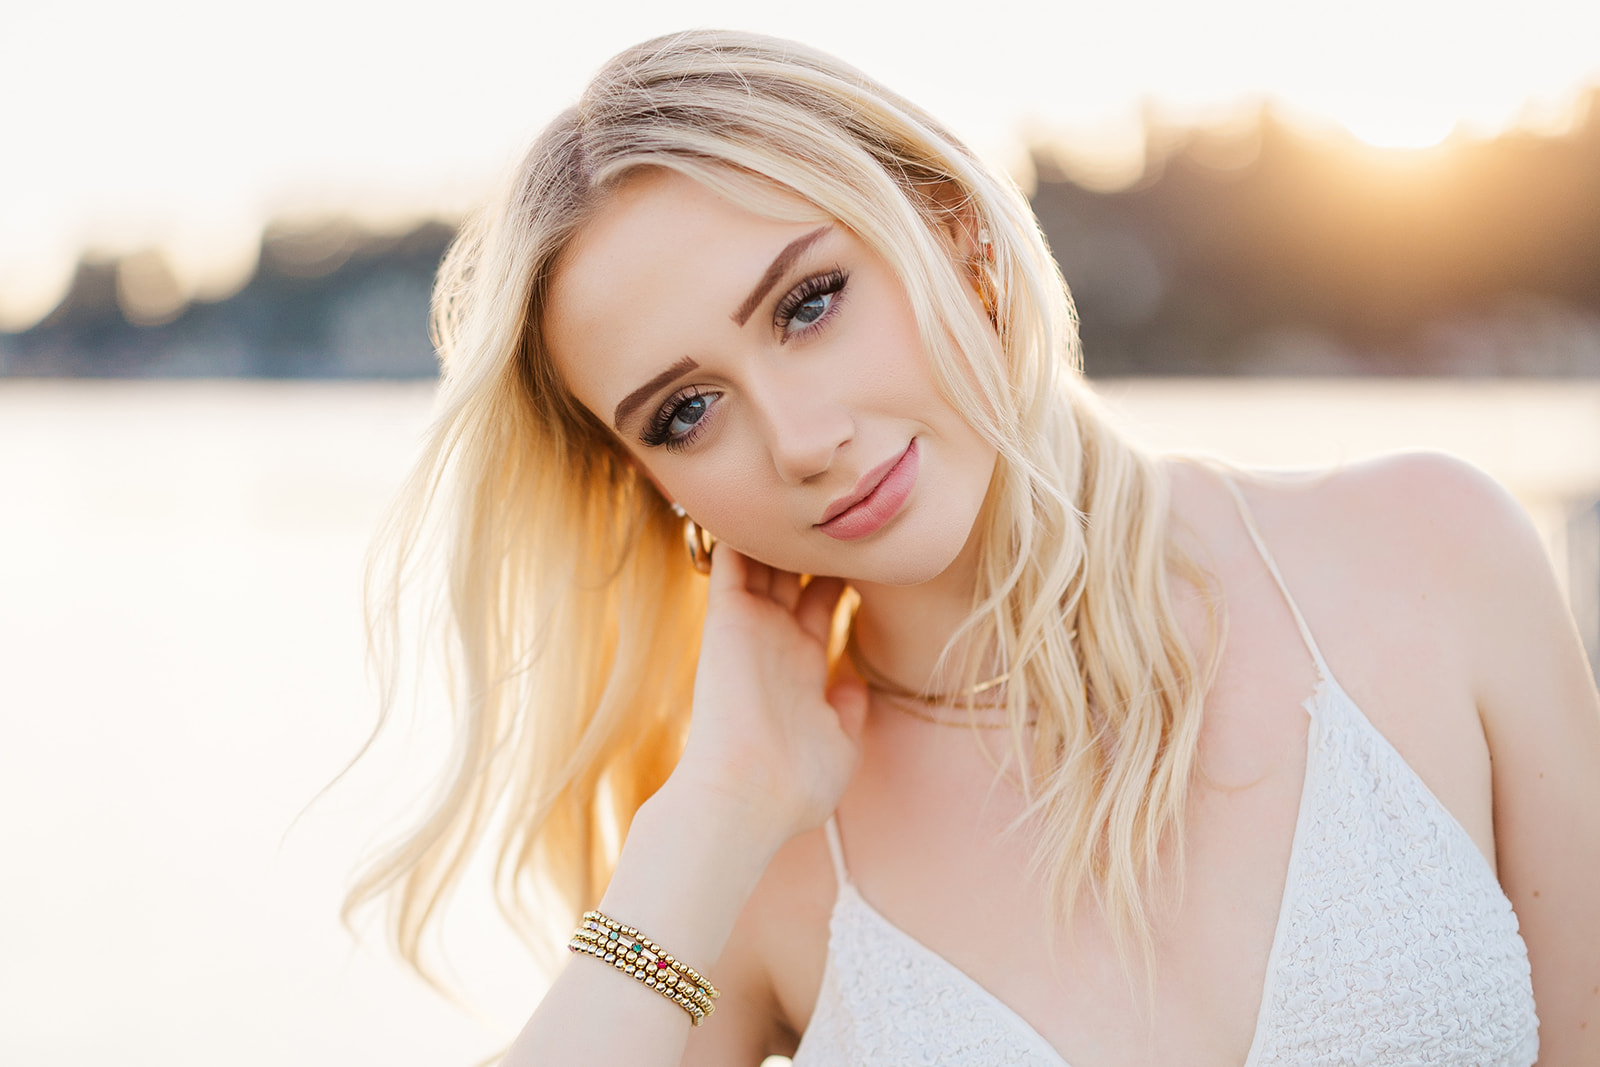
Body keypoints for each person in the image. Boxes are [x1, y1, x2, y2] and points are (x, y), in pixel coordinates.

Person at [346, 29, 1600, 1066]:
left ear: (955, 234)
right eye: (686, 411)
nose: (799, 439)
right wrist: (711, 817)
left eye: (809, 303)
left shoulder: (1429, 556)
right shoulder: (759, 863)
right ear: (651, 486)